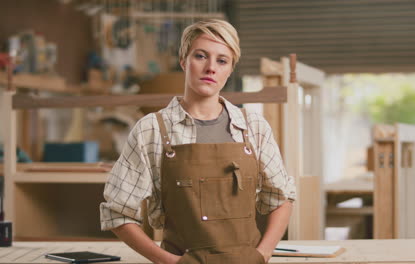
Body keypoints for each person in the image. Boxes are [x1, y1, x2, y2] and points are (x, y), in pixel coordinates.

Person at [100, 19, 296, 264]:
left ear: (230, 69)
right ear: (184, 61)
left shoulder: (253, 127)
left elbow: (281, 198)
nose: (211, 68)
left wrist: (263, 253)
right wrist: (167, 261)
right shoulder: (151, 129)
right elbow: (117, 212)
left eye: (222, 61)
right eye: (201, 56)